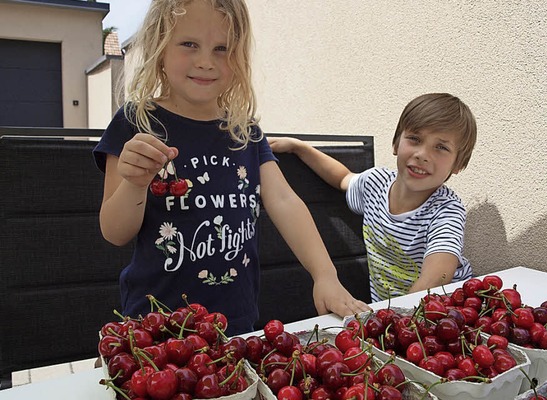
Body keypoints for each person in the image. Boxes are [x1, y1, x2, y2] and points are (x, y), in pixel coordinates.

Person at [92, 0, 370, 335]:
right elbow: (114, 231)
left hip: (235, 324)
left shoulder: (245, 131)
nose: (206, 62)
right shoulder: (136, 122)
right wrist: (135, 183)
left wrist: (325, 275)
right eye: (189, 44)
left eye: (222, 48)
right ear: (159, 48)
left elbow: (284, 201)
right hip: (156, 327)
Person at [269, 93, 476, 303]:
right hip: (388, 316)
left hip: (440, 313)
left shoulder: (447, 210)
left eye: (441, 147)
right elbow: (342, 177)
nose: (422, 154)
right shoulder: (375, 183)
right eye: (415, 139)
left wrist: (401, 320)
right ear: (396, 144)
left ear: (458, 164)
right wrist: (300, 148)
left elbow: (434, 279)